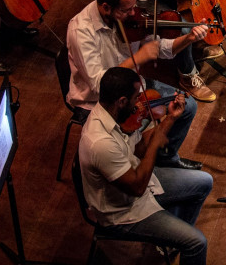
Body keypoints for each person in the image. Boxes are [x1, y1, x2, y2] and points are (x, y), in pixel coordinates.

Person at [67, 0, 209, 165]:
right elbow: (98, 85)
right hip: (98, 103)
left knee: (187, 107)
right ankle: (133, 168)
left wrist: (188, 39)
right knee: (123, 140)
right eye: (127, 9)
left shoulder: (130, 20)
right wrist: (139, 57)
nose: (134, 13)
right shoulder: (81, 32)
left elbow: (161, 48)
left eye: (134, 6)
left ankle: (165, 159)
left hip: (133, 88)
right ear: (106, 7)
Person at [78, 66, 213, 265]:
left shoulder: (115, 115)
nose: (139, 104)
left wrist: (171, 118)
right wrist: (156, 143)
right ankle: (180, 240)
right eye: (135, 99)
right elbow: (138, 187)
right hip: (123, 212)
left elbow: (139, 149)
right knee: (197, 243)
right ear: (121, 101)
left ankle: (173, 242)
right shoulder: (100, 143)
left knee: (205, 182)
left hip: (139, 180)